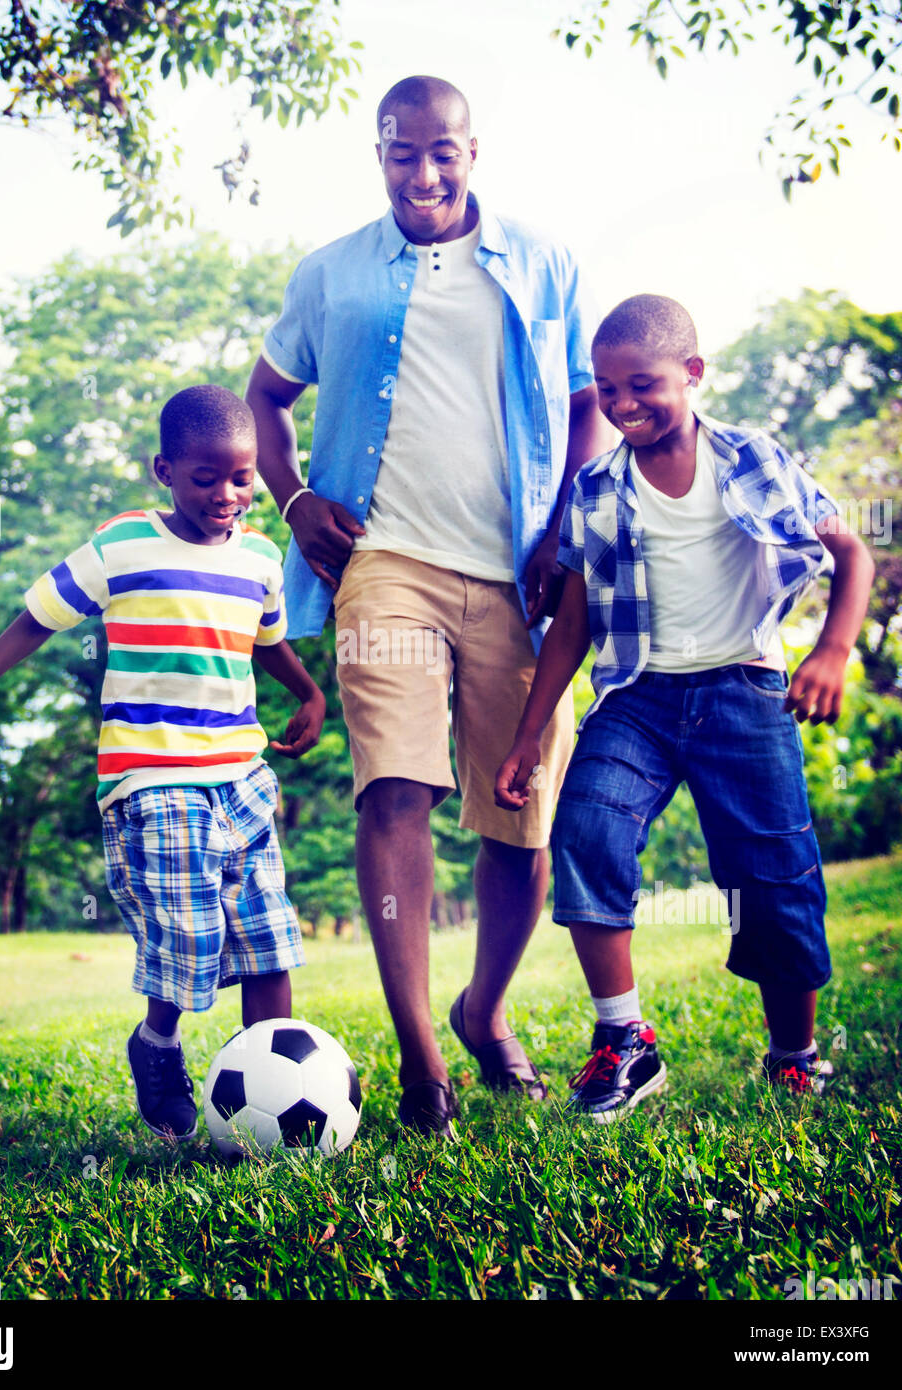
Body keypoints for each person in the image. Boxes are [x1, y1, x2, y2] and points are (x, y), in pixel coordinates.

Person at [246, 74, 611, 1135]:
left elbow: (587, 404)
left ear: (473, 150)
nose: (424, 172)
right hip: (384, 561)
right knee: (393, 793)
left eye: (442, 151)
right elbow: (267, 397)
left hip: (515, 571)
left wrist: (557, 529)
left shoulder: (546, 263)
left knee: (522, 820)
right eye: (402, 153)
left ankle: (481, 1009)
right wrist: (297, 494)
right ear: (379, 154)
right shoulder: (332, 274)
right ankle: (420, 1061)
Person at [494, 293, 875, 1120]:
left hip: (742, 689)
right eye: (605, 389)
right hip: (639, 699)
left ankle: (793, 1056)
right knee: (586, 830)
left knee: (773, 878)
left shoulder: (750, 459)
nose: (623, 404)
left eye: (643, 385)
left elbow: (850, 552)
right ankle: (624, 1042)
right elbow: (574, 616)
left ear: (692, 374)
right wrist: (529, 734)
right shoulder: (594, 487)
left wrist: (833, 652)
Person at [0, 385, 326, 1140]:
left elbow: (264, 638)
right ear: (165, 471)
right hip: (151, 776)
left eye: (242, 478)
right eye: (205, 478)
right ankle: (158, 1044)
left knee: (266, 935)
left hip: (242, 775)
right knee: (185, 933)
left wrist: (309, 692)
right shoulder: (123, 543)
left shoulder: (259, 555)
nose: (227, 494)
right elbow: (40, 615)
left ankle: (271, 1086)